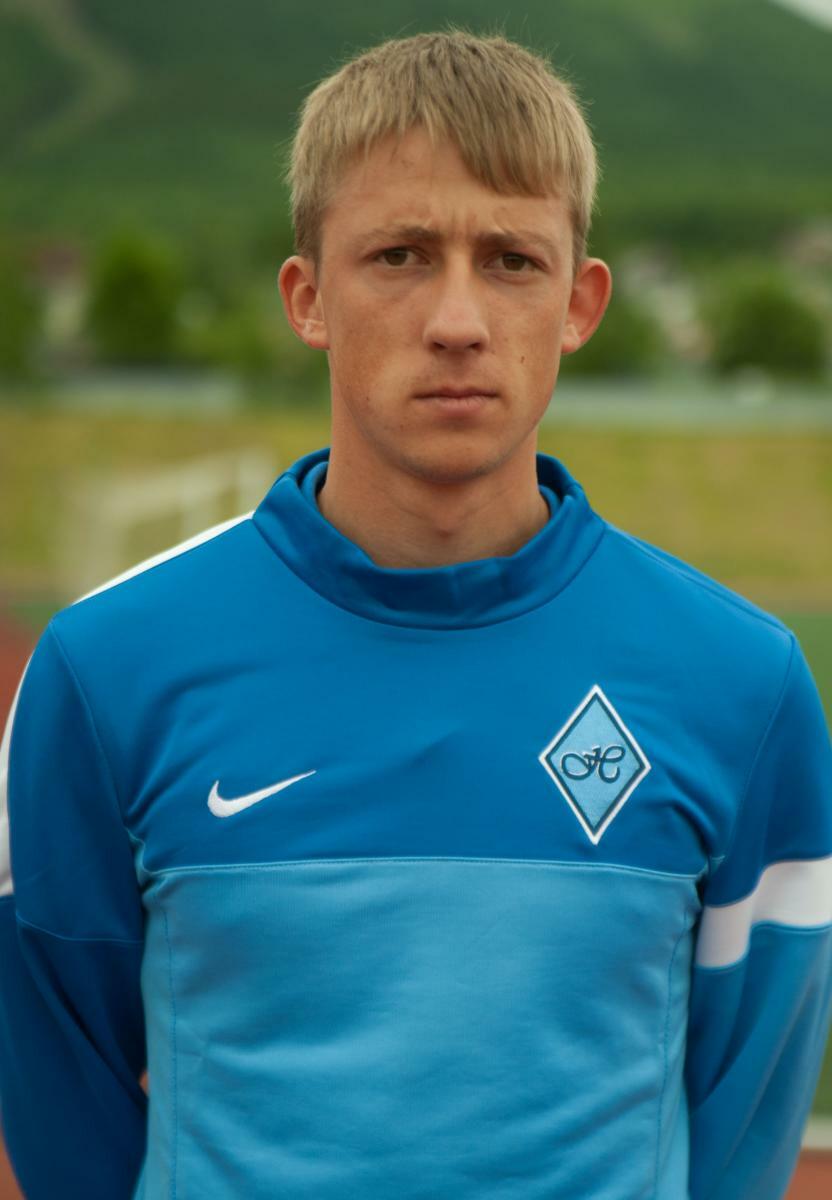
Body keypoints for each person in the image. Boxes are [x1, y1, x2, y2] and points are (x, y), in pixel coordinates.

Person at [1, 28, 831, 1200]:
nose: (457, 319)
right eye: (398, 255)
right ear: (308, 297)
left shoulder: (739, 685)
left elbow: (740, 1133)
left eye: (511, 260)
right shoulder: (106, 672)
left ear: (580, 303)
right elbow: (61, 1099)